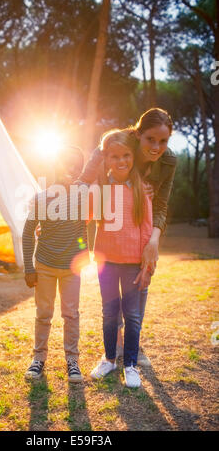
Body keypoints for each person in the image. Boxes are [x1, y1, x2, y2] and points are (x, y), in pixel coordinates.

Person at [81, 108, 176, 365]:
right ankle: (118, 345)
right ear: (138, 134)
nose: (157, 147)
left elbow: (161, 205)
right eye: (150, 140)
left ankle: (133, 342)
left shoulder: (169, 161)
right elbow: (86, 177)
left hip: (143, 224)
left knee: (138, 292)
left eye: (163, 141)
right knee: (112, 305)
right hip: (113, 222)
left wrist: (153, 241)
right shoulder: (122, 142)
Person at [89, 129, 153, 387]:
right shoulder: (100, 188)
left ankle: (130, 365)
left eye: (126, 155)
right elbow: (84, 215)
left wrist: (148, 266)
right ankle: (109, 359)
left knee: (133, 316)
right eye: (114, 156)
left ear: (133, 157)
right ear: (105, 158)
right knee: (109, 313)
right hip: (106, 261)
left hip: (132, 264)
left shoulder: (141, 189)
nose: (121, 161)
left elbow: (147, 229)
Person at [22, 146, 90, 383]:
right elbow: (27, 233)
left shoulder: (85, 194)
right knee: (44, 313)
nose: (71, 169)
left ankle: (72, 360)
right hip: (45, 266)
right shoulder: (42, 198)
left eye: (77, 165)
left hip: (71, 268)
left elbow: (83, 228)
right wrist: (29, 268)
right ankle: (38, 358)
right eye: (66, 163)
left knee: (71, 314)